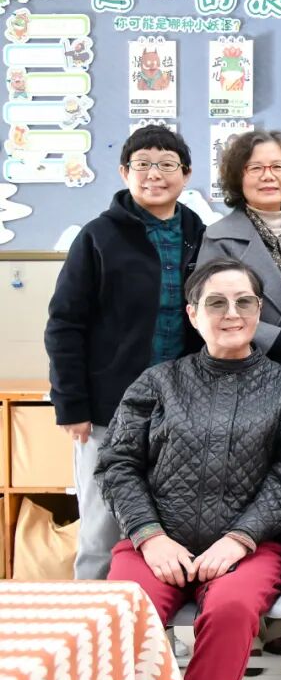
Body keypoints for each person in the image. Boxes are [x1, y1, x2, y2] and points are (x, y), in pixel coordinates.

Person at [96, 258, 281, 680]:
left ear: (259, 310)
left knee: (232, 609)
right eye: (216, 303)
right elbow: (117, 464)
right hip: (156, 542)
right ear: (192, 314)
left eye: (244, 302)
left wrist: (240, 538)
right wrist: (150, 536)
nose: (232, 313)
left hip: (248, 547)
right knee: (124, 611)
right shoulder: (158, 382)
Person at [45, 125, 206, 580]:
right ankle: (92, 618)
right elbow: (64, 324)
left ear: (186, 174)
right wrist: (71, 405)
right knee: (101, 527)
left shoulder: (199, 235)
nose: (155, 174)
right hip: (108, 408)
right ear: (124, 172)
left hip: (179, 408)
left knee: (167, 526)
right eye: (143, 164)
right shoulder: (98, 237)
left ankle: (152, 621)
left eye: (167, 164)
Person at [198, 129, 281, 376]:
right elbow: (210, 310)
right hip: (245, 375)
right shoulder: (219, 239)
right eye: (255, 168)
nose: (268, 176)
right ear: (238, 178)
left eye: (278, 167)